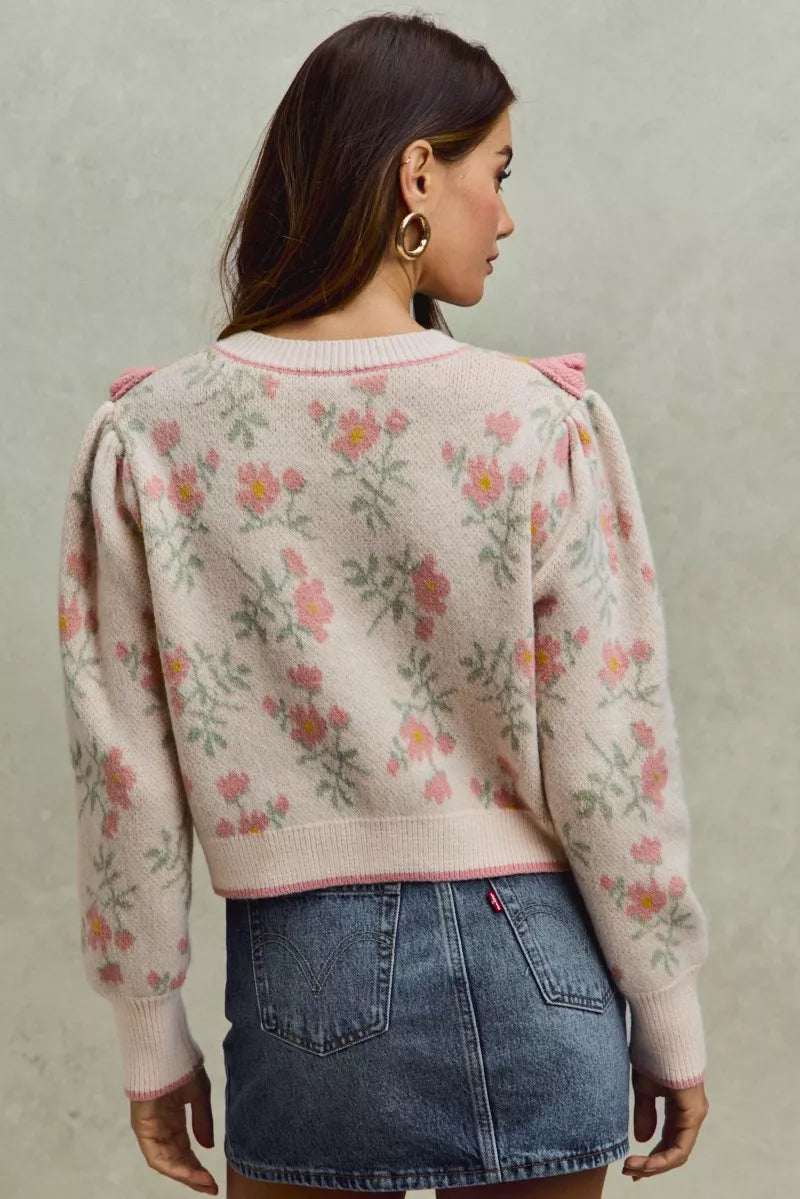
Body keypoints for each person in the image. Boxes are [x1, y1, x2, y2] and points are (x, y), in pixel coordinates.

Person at [55, 12, 710, 1199]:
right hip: (545, 972)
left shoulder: (155, 435)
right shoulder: (536, 422)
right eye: (495, 172)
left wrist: (151, 1039)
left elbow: (125, 769)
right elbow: (610, 748)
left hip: (303, 987)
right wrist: (667, 1011)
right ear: (417, 174)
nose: (504, 216)